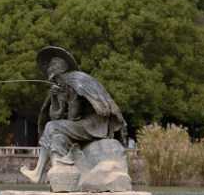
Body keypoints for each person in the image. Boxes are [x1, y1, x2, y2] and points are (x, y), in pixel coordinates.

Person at [20, 46, 125, 183]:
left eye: (53, 65)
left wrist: (65, 102)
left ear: (63, 68)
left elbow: (73, 116)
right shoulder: (61, 86)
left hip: (93, 125)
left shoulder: (75, 80)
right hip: (82, 124)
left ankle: (38, 173)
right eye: (49, 66)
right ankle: (58, 175)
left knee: (52, 127)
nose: (49, 69)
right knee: (57, 137)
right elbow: (56, 116)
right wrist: (55, 97)